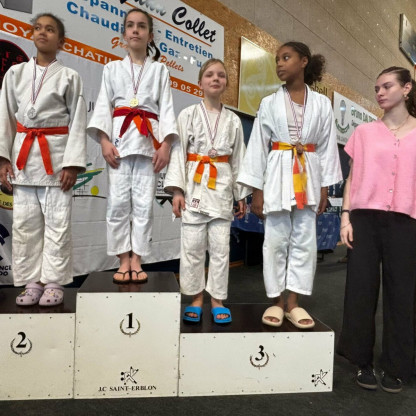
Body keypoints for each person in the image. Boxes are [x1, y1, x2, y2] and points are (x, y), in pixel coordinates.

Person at [238, 41, 341, 329]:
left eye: (286, 58)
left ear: (304, 61)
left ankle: (293, 302)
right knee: (275, 241)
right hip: (278, 173)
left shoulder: (322, 104)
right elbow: (258, 147)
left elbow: (326, 148)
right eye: (277, 60)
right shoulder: (269, 103)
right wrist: (257, 191)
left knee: (305, 241)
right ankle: (276, 299)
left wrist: (324, 188)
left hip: (308, 174)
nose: (280, 64)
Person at [337, 66, 416, 393]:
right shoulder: (364, 133)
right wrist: (345, 217)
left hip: (406, 222)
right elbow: (351, 178)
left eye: (387, 86)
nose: (380, 92)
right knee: (361, 289)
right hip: (365, 220)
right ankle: (361, 360)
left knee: (403, 295)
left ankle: (397, 365)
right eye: (376, 88)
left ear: (406, 88)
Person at [0, 13, 87, 306]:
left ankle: (53, 283)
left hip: (57, 160)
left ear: (61, 41)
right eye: (38, 28)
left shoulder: (69, 76)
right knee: (25, 226)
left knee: (57, 224)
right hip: (24, 160)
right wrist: (3, 159)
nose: (42, 33)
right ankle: (31, 283)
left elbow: (78, 120)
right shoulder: (15, 74)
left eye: (50, 30)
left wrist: (72, 163)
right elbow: (5, 117)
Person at [87, 8, 177, 283]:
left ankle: (137, 258)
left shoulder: (160, 70)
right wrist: (104, 140)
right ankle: (122, 258)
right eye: (130, 25)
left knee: (143, 204)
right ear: (124, 34)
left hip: (148, 143)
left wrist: (165, 146)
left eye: (141, 26)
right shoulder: (112, 68)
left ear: (150, 35)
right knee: (116, 204)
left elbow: (167, 108)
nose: (135, 30)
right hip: (119, 142)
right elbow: (103, 105)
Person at [164, 58, 250, 324]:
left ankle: (217, 299)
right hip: (194, 186)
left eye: (221, 75)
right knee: (192, 247)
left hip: (222, 188)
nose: (215, 79)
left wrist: (240, 194)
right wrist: (177, 191)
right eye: (210, 75)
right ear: (200, 82)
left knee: (221, 249)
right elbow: (178, 153)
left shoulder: (234, 120)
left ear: (226, 83)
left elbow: (238, 158)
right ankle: (196, 298)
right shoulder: (188, 115)